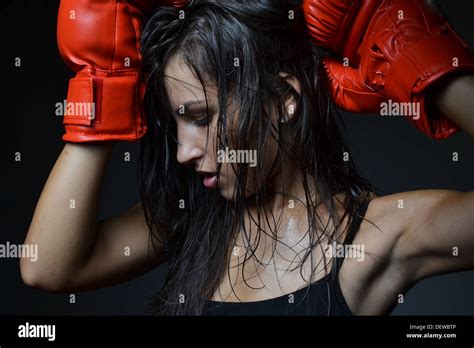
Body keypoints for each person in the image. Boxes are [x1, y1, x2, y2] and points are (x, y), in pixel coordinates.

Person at [21, 0, 474, 316]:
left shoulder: (374, 236)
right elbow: (47, 266)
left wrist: (420, 63)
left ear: (282, 100)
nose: (183, 151)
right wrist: (102, 88)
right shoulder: (191, 217)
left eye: (199, 117)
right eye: (176, 122)